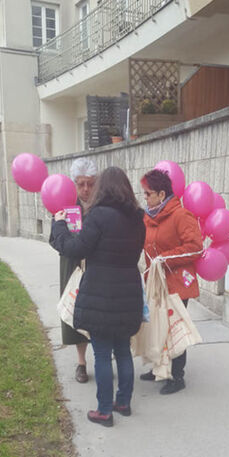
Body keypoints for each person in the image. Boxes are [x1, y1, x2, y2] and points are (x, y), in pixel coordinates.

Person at [50, 166, 145, 428]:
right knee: (123, 351)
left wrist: (59, 226)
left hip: (100, 294)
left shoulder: (98, 216)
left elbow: (73, 248)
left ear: (102, 188)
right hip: (128, 292)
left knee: (102, 354)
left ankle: (105, 411)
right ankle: (123, 402)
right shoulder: (138, 217)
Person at [140, 168, 203, 394]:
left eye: (148, 194)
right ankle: (159, 368)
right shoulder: (149, 217)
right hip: (156, 283)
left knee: (173, 329)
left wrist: (163, 259)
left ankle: (177, 376)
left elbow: (195, 248)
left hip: (176, 283)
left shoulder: (181, 215)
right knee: (156, 327)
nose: (144, 198)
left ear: (161, 193)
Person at [58, 157, 97, 383]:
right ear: (74, 183)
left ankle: (104, 355)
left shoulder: (102, 205)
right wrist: (58, 223)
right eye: (81, 183)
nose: (85, 189)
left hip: (96, 264)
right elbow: (55, 239)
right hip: (72, 264)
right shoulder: (65, 204)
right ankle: (81, 363)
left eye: (90, 183)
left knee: (99, 312)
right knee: (76, 311)